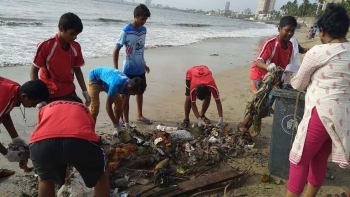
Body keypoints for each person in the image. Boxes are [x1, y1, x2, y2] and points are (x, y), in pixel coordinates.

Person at [286, 4, 350, 197]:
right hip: (342, 117)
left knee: (298, 161)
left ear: (322, 31)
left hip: (321, 113)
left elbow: (298, 84)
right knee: (320, 158)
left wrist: (292, 76)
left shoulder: (318, 52)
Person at [29, 95, 110, 197]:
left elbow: (41, 128)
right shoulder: (83, 107)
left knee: (45, 179)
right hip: (79, 140)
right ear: (78, 102)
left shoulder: (46, 107)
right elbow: (91, 132)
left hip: (41, 143)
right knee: (101, 177)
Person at [237, 16, 297, 137]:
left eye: (292, 31)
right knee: (261, 104)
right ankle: (244, 125)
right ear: (279, 29)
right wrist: (269, 67)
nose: (290, 33)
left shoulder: (290, 46)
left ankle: (245, 126)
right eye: (287, 30)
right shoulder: (271, 43)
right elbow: (259, 61)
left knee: (265, 108)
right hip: (259, 77)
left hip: (274, 80)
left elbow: (286, 66)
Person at [30, 12, 90, 106]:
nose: (75, 37)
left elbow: (77, 70)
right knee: (50, 120)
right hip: (48, 93)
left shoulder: (76, 47)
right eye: (72, 34)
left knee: (74, 118)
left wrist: (85, 91)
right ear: (61, 29)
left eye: (77, 34)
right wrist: (38, 96)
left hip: (69, 91)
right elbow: (34, 72)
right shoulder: (46, 46)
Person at [0, 77, 49, 177]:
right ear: (24, 96)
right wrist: (7, 153)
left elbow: (5, 113)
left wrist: (15, 138)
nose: (34, 106)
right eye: (33, 103)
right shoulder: (5, 98)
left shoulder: (16, 89)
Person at [112, 4, 152, 125]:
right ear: (136, 16)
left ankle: (139, 115)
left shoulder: (144, 30)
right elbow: (116, 50)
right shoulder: (126, 31)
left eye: (145, 20)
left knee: (140, 92)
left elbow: (141, 48)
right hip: (128, 69)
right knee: (125, 95)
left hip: (140, 68)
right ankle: (121, 119)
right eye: (142, 19)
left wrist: (144, 64)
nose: (144, 22)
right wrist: (116, 69)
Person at [88, 66, 146, 135]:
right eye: (134, 93)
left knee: (119, 102)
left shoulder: (129, 84)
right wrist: (116, 125)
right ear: (130, 88)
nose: (134, 95)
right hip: (95, 79)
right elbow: (108, 106)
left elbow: (126, 104)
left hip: (106, 81)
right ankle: (91, 133)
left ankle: (115, 130)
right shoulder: (116, 84)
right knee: (95, 108)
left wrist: (126, 123)